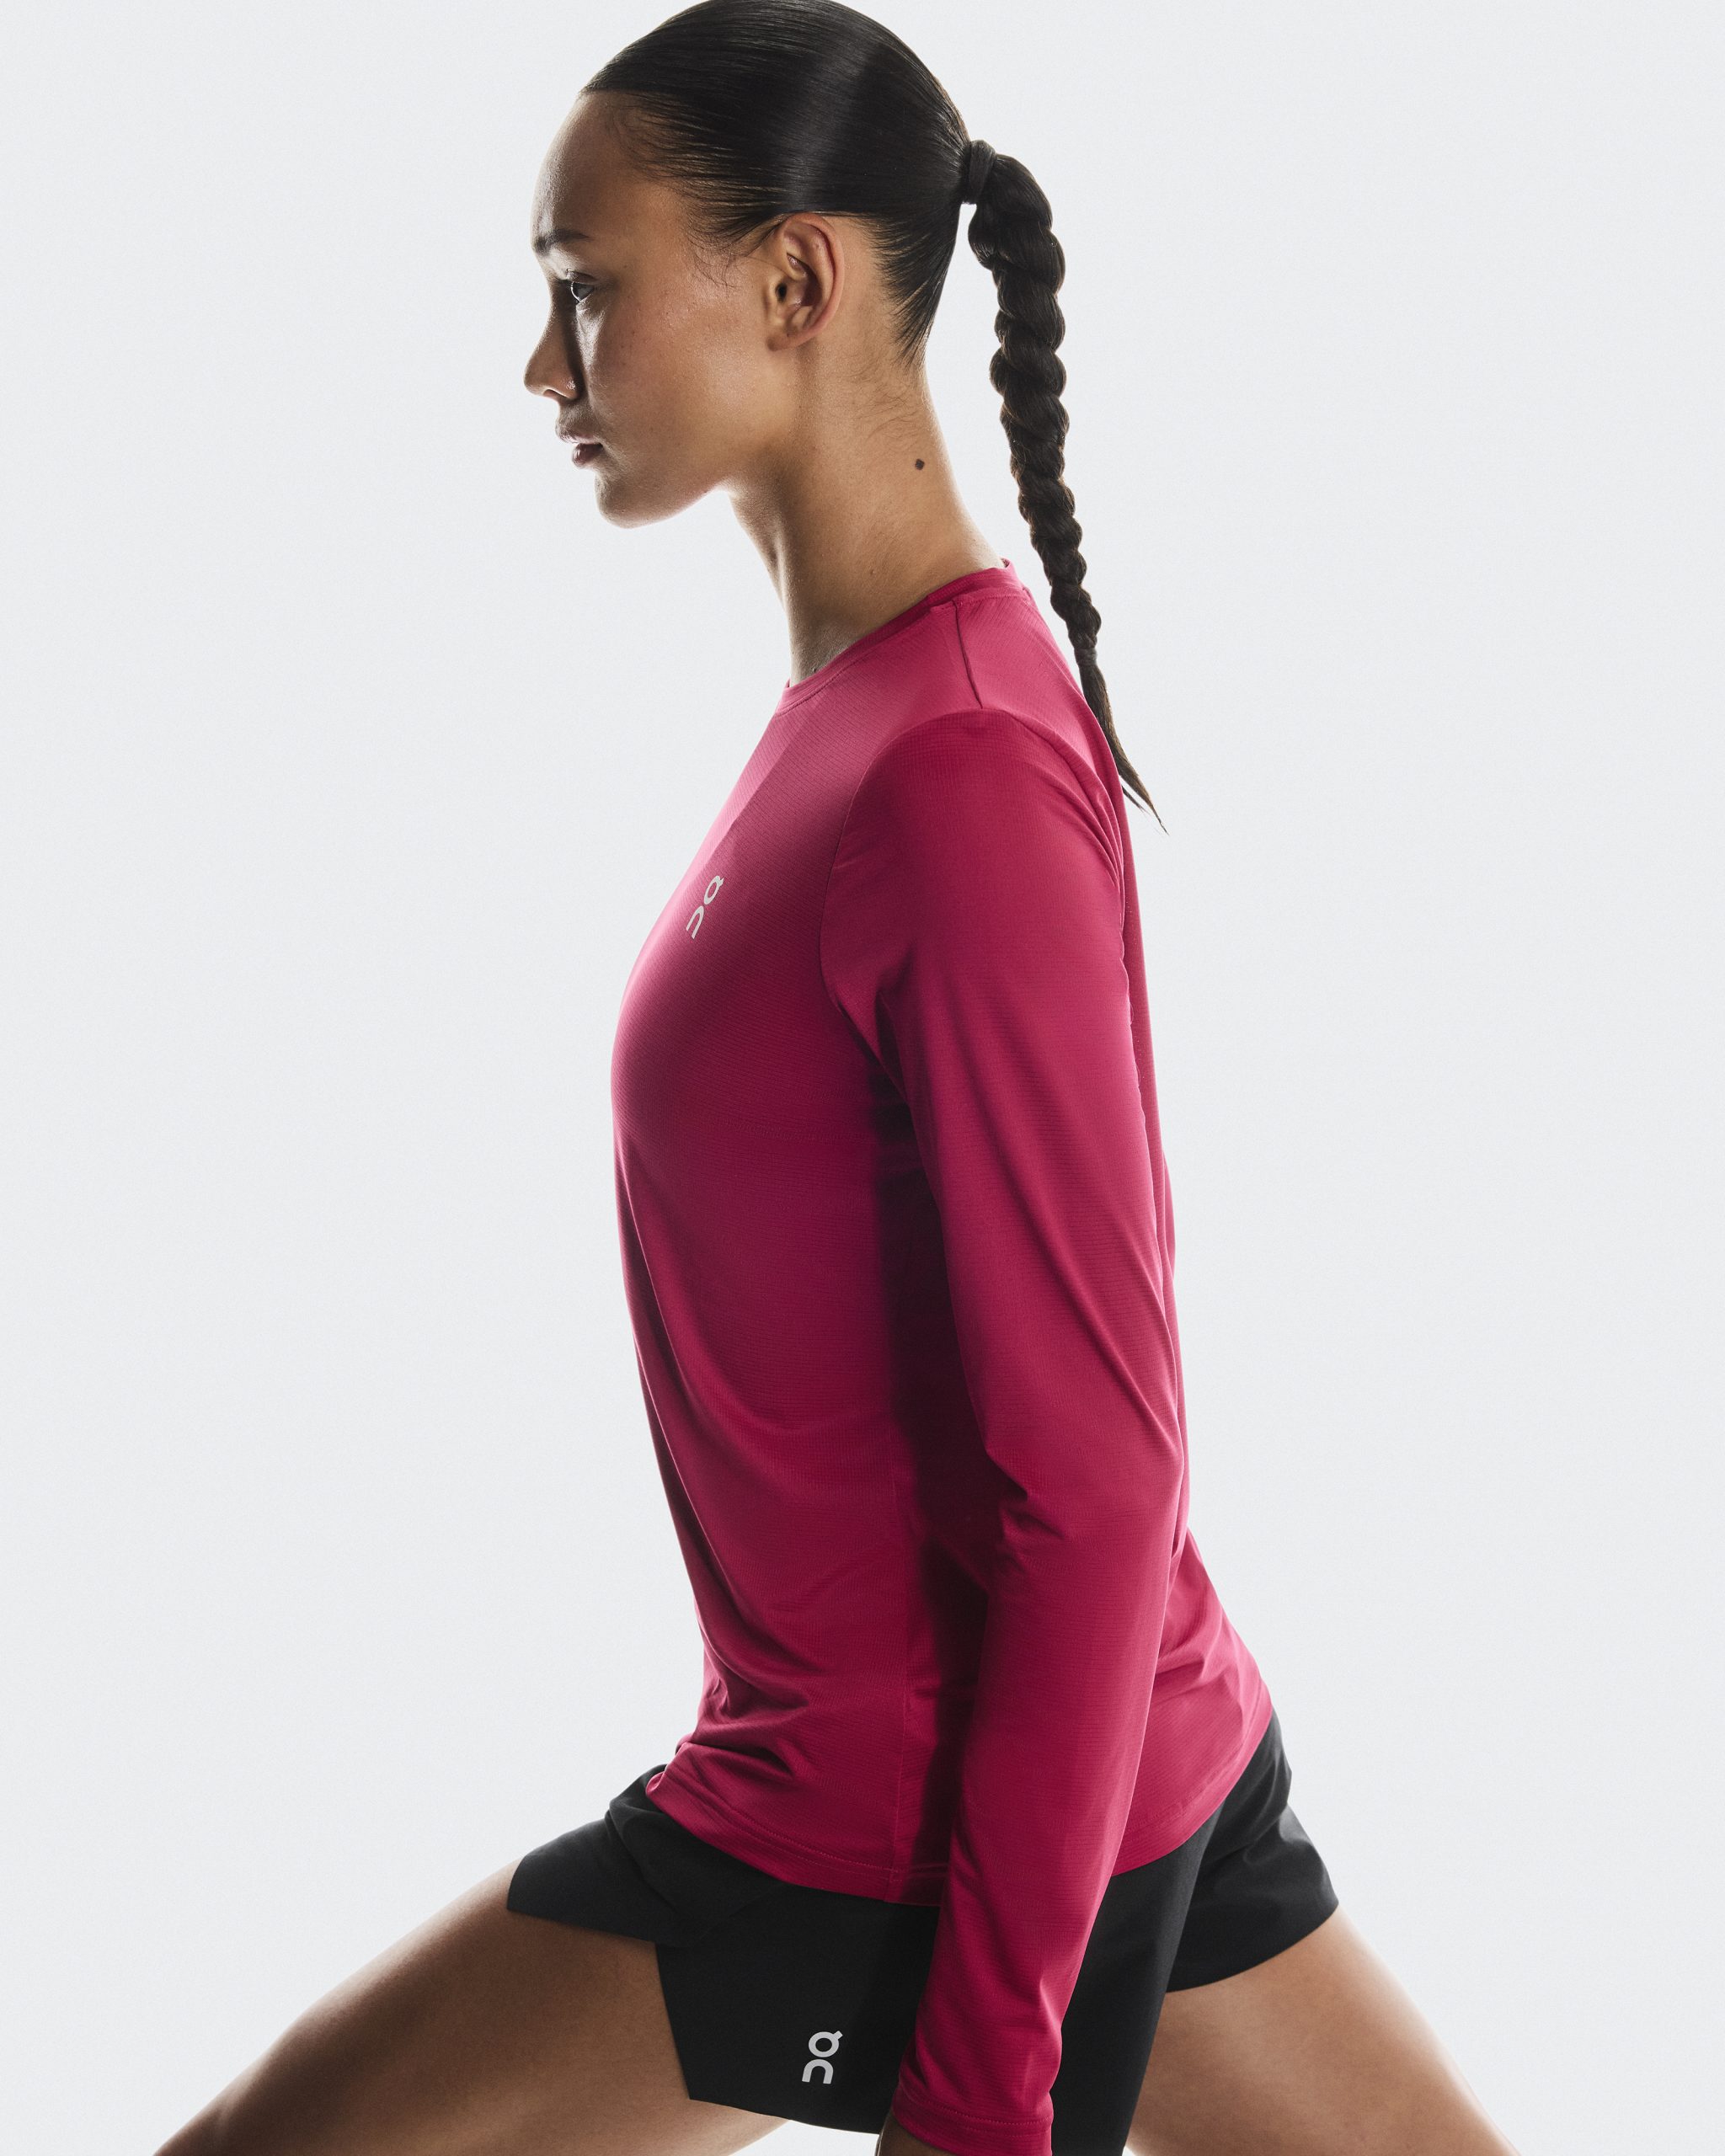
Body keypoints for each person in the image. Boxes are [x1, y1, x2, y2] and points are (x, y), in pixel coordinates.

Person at [152, 6, 1522, 2154]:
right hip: (1100, 1753)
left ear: (796, 281)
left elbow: (1097, 1480)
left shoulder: (953, 766)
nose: (543, 367)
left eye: (585, 289)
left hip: (896, 1834)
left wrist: (978, 2095)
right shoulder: (877, 705)